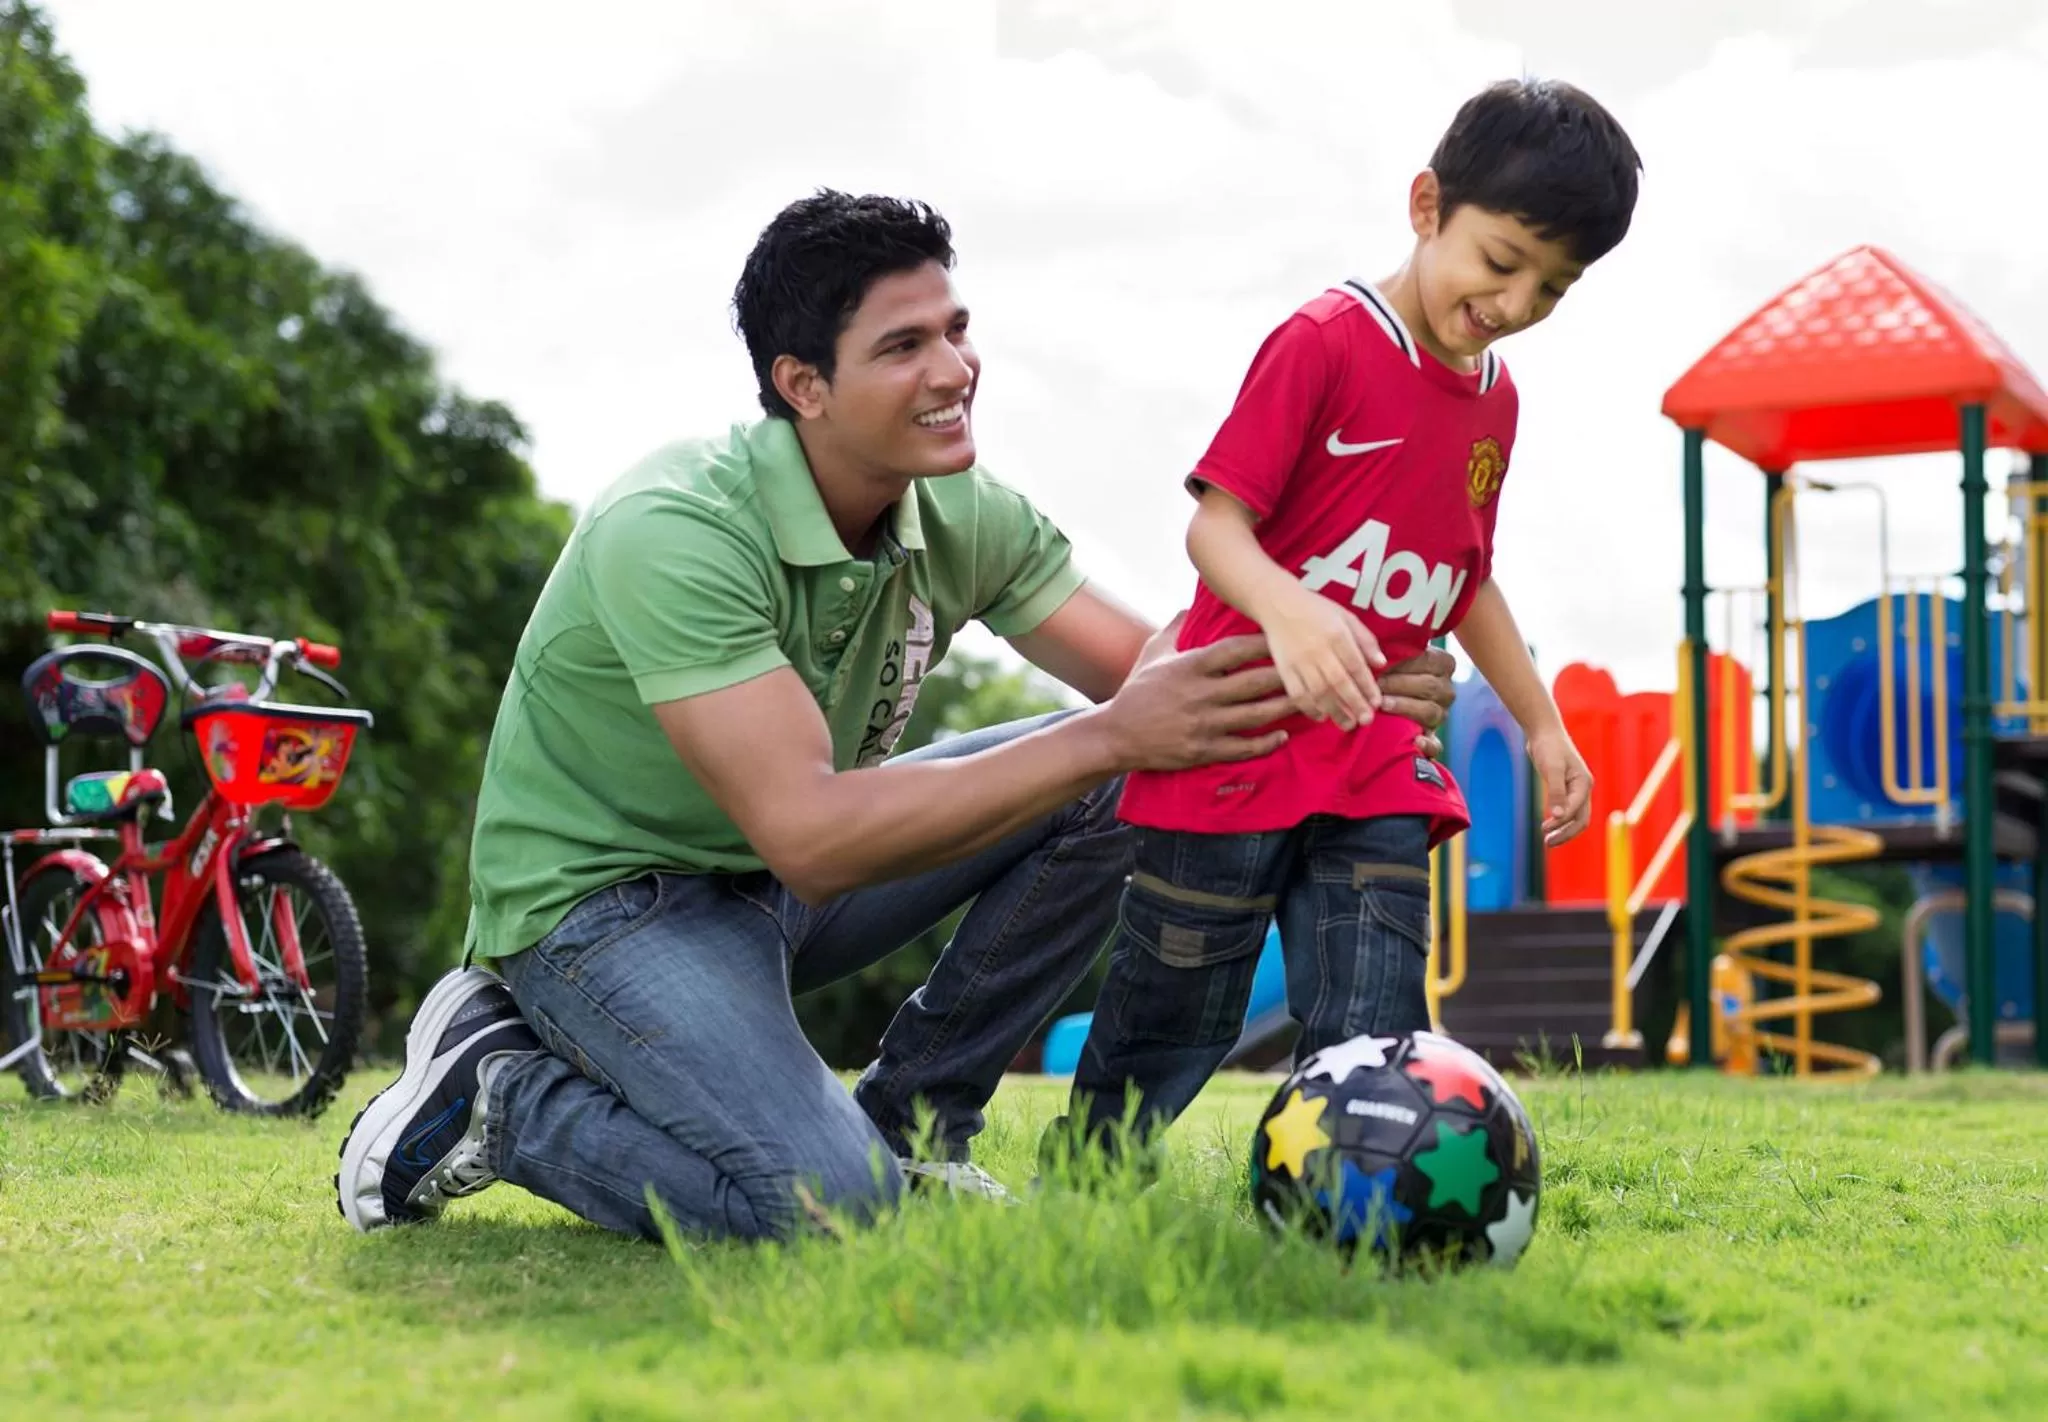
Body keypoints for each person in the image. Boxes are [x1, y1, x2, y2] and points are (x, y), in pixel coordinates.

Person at [334, 189, 1459, 1243]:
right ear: (802, 384)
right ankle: (497, 1092)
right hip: (605, 910)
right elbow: (810, 839)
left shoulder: (955, 506)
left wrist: (1344, 660)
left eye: (956, 330)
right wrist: (1116, 731)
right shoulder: (675, 529)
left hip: (771, 882)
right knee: (829, 1206)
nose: (954, 370)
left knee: (1122, 776)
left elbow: (1163, 675)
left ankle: (917, 1121)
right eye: (903, 346)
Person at [1049, 78, 1642, 1158]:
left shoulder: (1495, 401)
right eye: (1501, 261)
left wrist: (1542, 722)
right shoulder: (1323, 340)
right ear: (1426, 207)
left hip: (1376, 758)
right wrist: (1293, 614)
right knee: (1173, 1013)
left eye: (1553, 288)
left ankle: (1354, 1206)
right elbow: (1214, 527)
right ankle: (1089, 1183)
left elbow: (1467, 578)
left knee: (1374, 1022)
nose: (1515, 302)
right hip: (1230, 741)